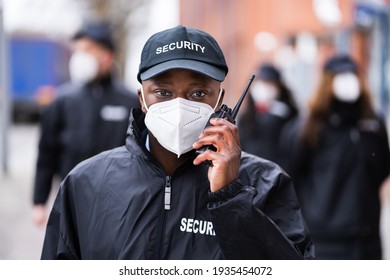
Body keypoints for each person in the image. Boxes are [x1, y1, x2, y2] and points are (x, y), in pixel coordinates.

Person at [40, 25, 314, 260]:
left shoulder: (265, 182)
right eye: (162, 91)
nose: (179, 105)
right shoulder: (85, 183)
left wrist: (231, 198)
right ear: (142, 99)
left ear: (219, 100)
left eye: (198, 92)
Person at [32, 21, 140, 227]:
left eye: (88, 50)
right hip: (71, 198)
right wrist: (39, 201)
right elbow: (46, 152)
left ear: (107, 57)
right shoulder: (62, 101)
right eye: (78, 50)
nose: (80, 56)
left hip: (118, 203)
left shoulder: (129, 101)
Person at [283, 54, 390, 259]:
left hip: (366, 236)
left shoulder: (372, 123)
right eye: (341, 76)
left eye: (352, 75)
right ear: (327, 82)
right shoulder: (308, 127)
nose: (348, 81)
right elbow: (292, 176)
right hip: (325, 238)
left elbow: (382, 168)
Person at [237, 63, 298, 166]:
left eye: (269, 83)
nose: (264, 89)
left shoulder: (288, 116)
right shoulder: (245, 118)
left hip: (280, 174)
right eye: (260, 83)